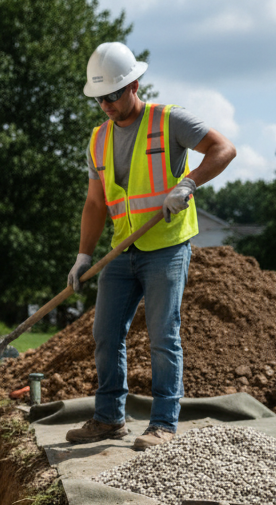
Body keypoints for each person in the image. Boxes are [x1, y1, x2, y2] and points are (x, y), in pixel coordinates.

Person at [64, 42, 236, 450]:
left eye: (112, 95)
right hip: (121, 251)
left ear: (134, 85)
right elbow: (94, 202)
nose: (105, 104)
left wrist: (188, 182)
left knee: (163, 335)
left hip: (166, 247)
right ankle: (109, 419)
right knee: (105, 333)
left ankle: (163, 424)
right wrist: (83, 254)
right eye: (99, 98)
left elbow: (223, 149)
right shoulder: (98, 140)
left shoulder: (168, 120)